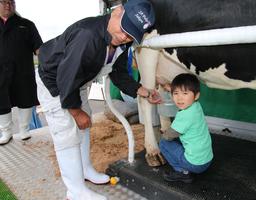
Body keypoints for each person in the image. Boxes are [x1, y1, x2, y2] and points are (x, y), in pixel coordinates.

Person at [36, 0, 158, 199]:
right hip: (54, 82)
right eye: (124, 29)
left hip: (77, 81)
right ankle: (75, 191)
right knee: (66, 133)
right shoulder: (88, 36)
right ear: (118, 12)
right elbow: (66, 78)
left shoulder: (122, 41)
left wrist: (140, 90)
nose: (123, 37)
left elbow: (117, 72)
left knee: (85, 125)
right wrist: (75, 112)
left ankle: (85, 170)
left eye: (131, 35)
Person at [0, 0, 43, 145]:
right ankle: (6, 132)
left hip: (23, 71)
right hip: (0, 74)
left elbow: (39, 48)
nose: (8, 5)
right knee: (2, 103)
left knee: (25, 99)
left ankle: (24, 129)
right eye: (3, 2)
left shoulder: (27, 25)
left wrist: (49, 63)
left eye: (11, 2)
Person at [159, 73, 213, 183]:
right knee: (180, 138)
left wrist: (164, 133)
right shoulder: (196, 106)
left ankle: (183, 172)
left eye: (185, 93)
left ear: (196, 95)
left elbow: (168, 136)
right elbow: (183, 95)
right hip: (207, 159)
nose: (179, 98)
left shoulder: (184, 115)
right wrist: (170, 88)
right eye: (176, 93)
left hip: (195, 165)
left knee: (163, 143)